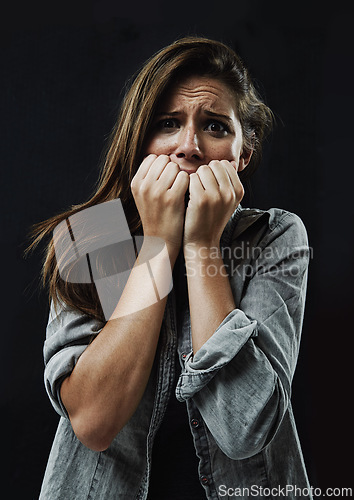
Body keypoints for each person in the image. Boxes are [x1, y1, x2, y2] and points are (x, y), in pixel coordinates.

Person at [28, 36, 312, 499]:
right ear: (139, 145)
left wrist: (201, 246)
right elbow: (94, 423)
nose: (189, 147)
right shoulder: (87, 236)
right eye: (167, 123)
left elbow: (245, 430)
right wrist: (157, 244)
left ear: (243, 155)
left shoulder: (275, 238)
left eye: (216, 127)